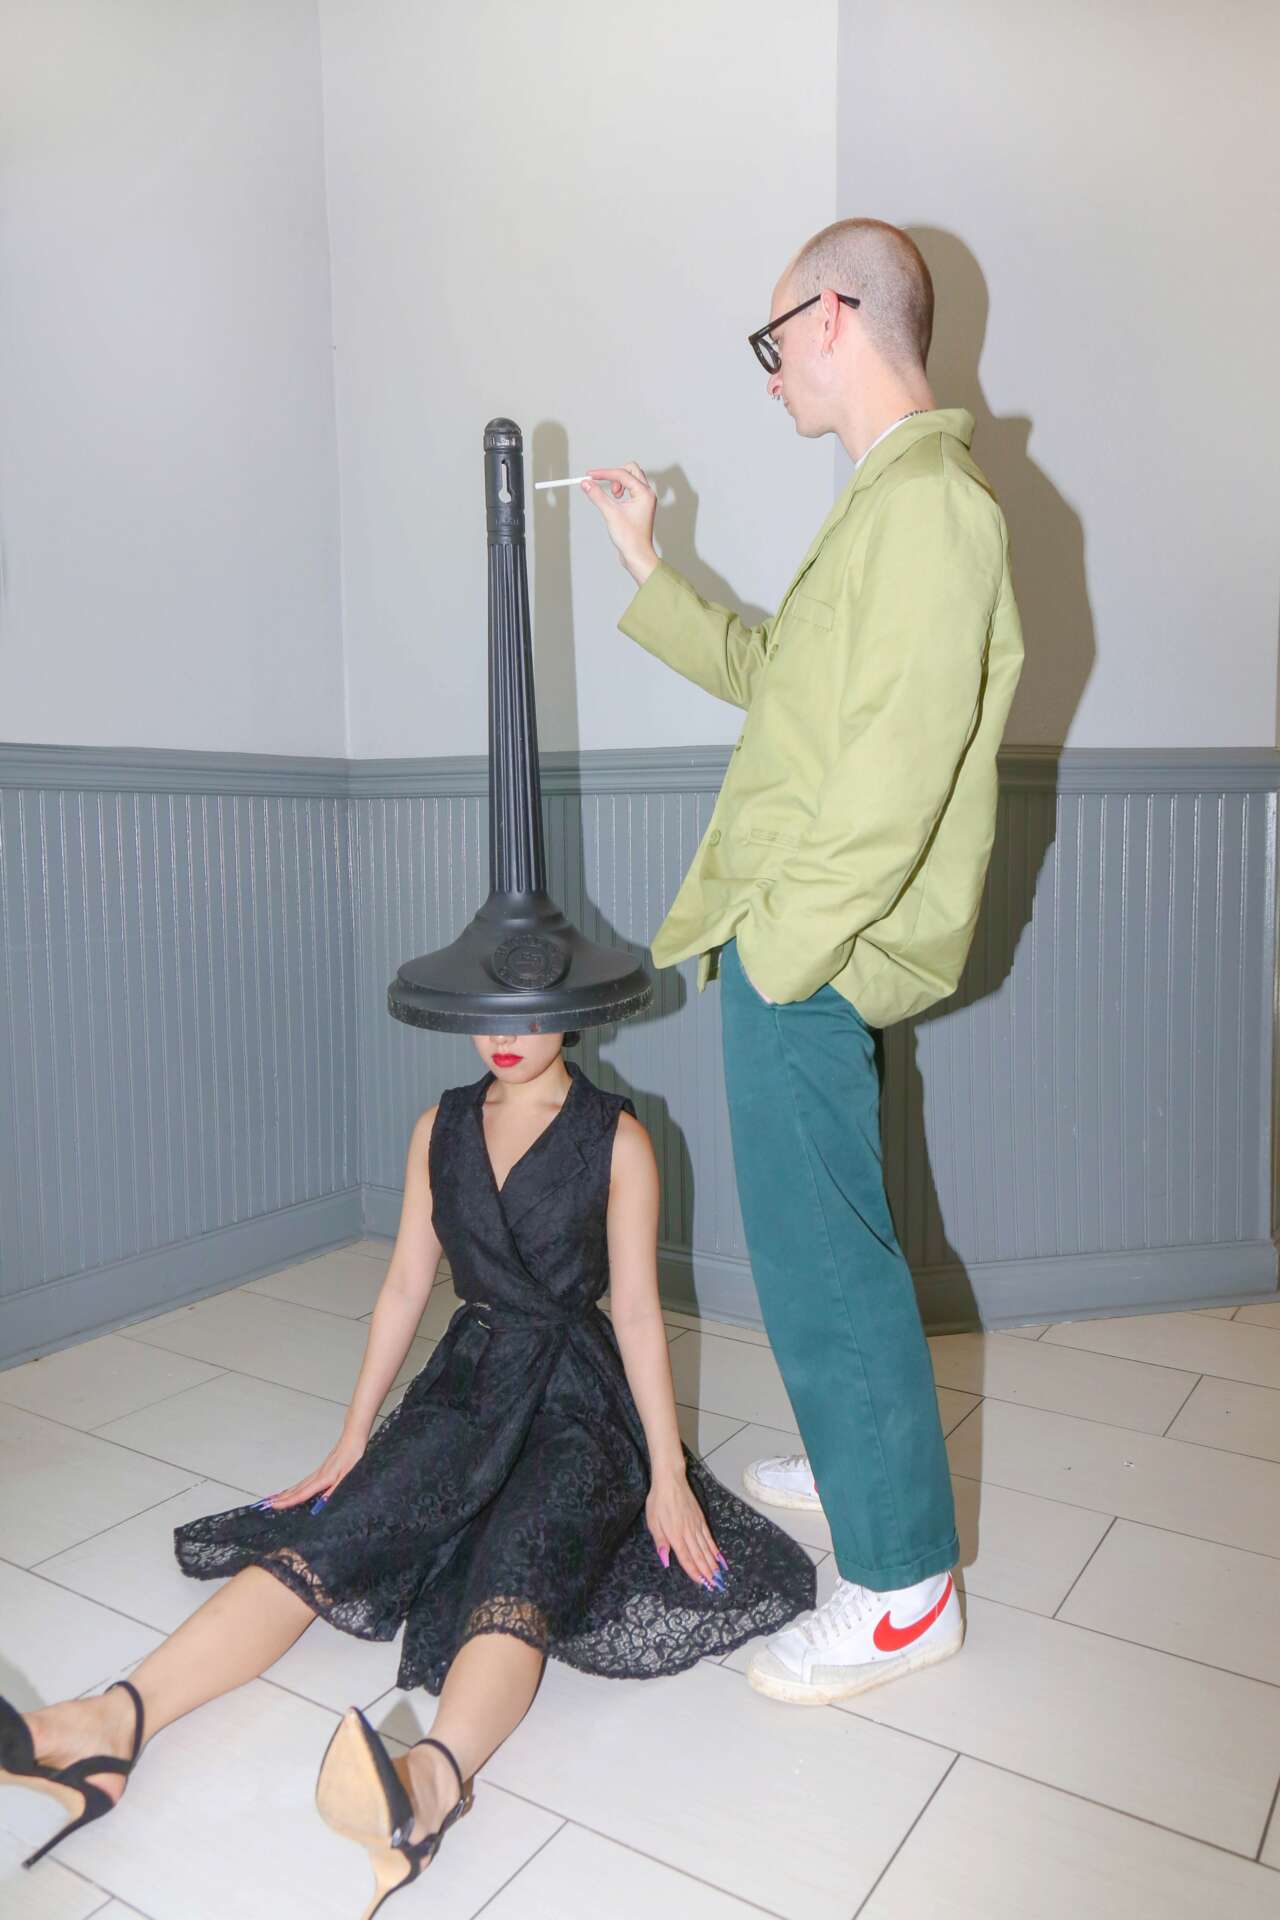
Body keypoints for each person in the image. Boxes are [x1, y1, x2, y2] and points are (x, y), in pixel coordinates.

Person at [0, 1032, 813, 1917]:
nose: (503, 1036)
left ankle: (428, 1789)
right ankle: (112, 1722)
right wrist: (353, 1440)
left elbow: (640, 1315)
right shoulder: (441, 1126)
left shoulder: (617, 1138)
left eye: (526, 1012)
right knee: (337, 1532)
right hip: (472, 1380)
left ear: (571, 1010)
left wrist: (666, 1473)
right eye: (487, 1011)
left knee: (518, 1565)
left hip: (579, 1404)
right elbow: (402, 1287)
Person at [583, 216, 1024, 1706]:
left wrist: (778, 952)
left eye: (771, 340)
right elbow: (781, 680)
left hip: (806, 947)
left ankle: (902, 1592)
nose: (768, 371)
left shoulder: (929, 510)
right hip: (802, 940)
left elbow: (892, 782)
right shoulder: (890, 503)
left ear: (833, 316)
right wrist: (648, 566)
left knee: (826, 1260)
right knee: (828, 1239)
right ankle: (861, 1473)